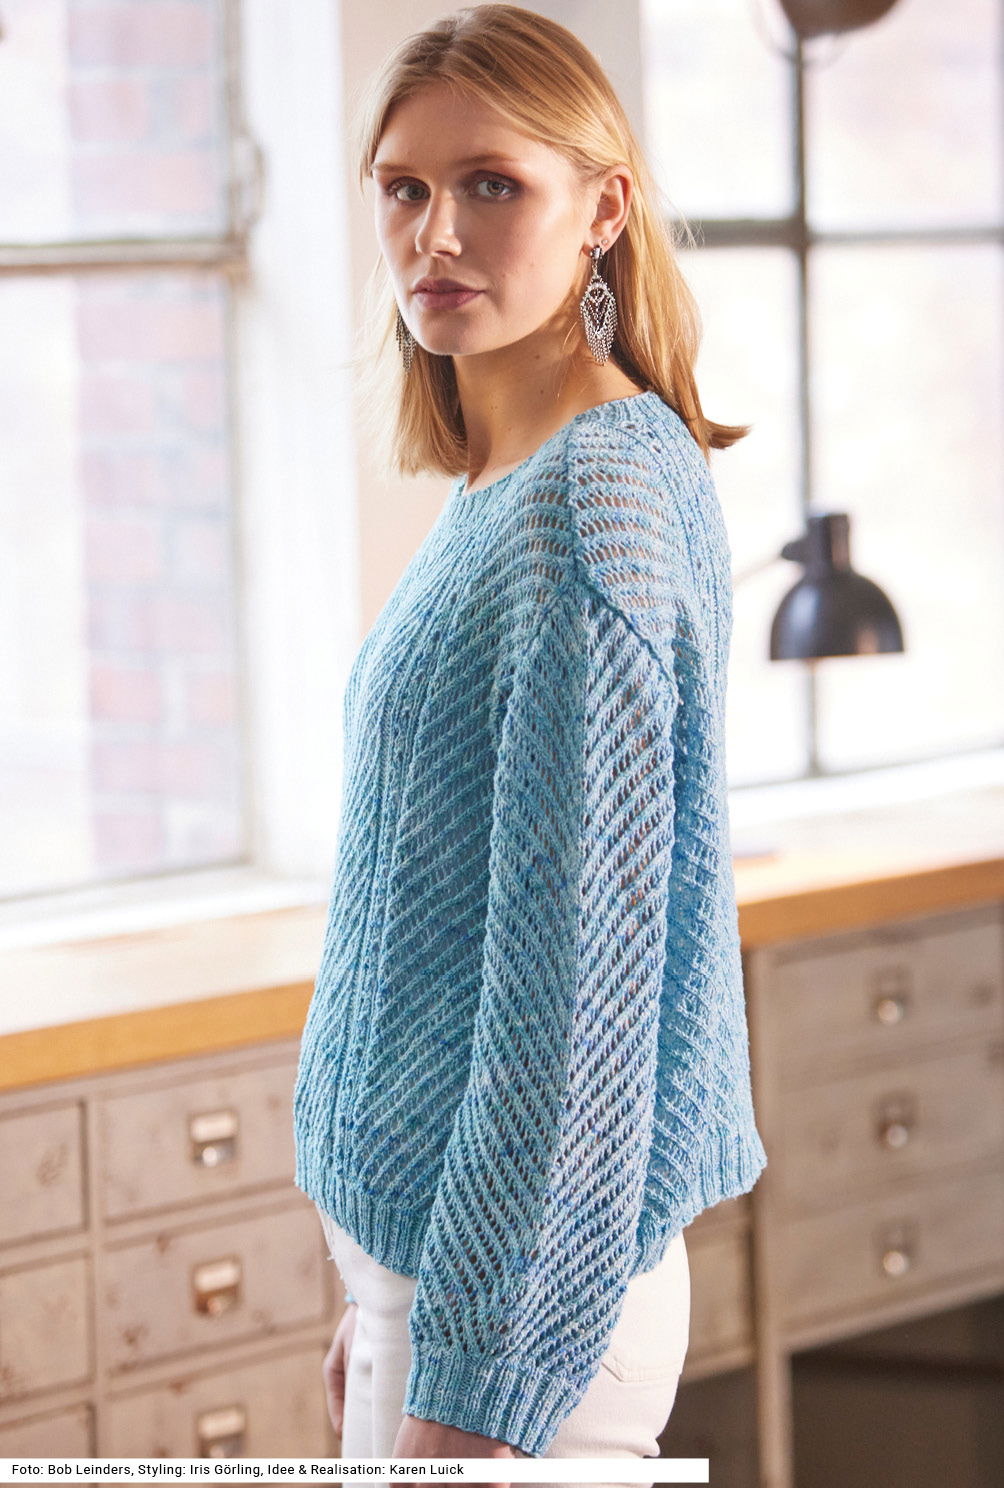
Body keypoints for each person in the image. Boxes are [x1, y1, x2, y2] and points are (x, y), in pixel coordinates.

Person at [292, 4, 768, 1481]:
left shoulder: (587, 510)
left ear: (603, 208)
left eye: (491, 184)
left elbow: (578, 1008)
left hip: (523, 1340)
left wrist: (476, 1376)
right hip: (443, 1286)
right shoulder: (522, 472)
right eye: (404, 188)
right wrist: (381, 1290)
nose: (434, 234)